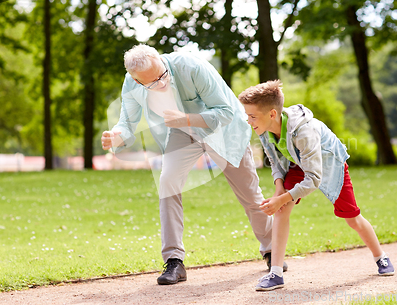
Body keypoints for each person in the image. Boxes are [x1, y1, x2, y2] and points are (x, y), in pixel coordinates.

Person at [101, 45, 282, 285]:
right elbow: (127, 120)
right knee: (167, 183)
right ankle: (174, 261)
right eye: (152, 83)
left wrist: (184, 118)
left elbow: (226, 111)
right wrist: (117, 136)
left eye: (162, 75)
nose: (161, 83)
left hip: (223, 132)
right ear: (136, 79)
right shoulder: (132, 82)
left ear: (161, 60)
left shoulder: (192, 67)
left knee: (249, 194)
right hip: (181, 133)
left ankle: (272, 251)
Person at [238, 80, 395, 291]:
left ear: (272, 114)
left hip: (330, 167)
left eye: (252, 116)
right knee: (282, 210)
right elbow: (274, 161)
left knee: (352, 218)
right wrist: (279, 189)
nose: (248, 121)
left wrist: (282, 198)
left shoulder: (304, 132)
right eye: (248, 116)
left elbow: (314, 179)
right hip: (298, 164)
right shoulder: (264, 129)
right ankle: (275, 273)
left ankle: (381, 257)